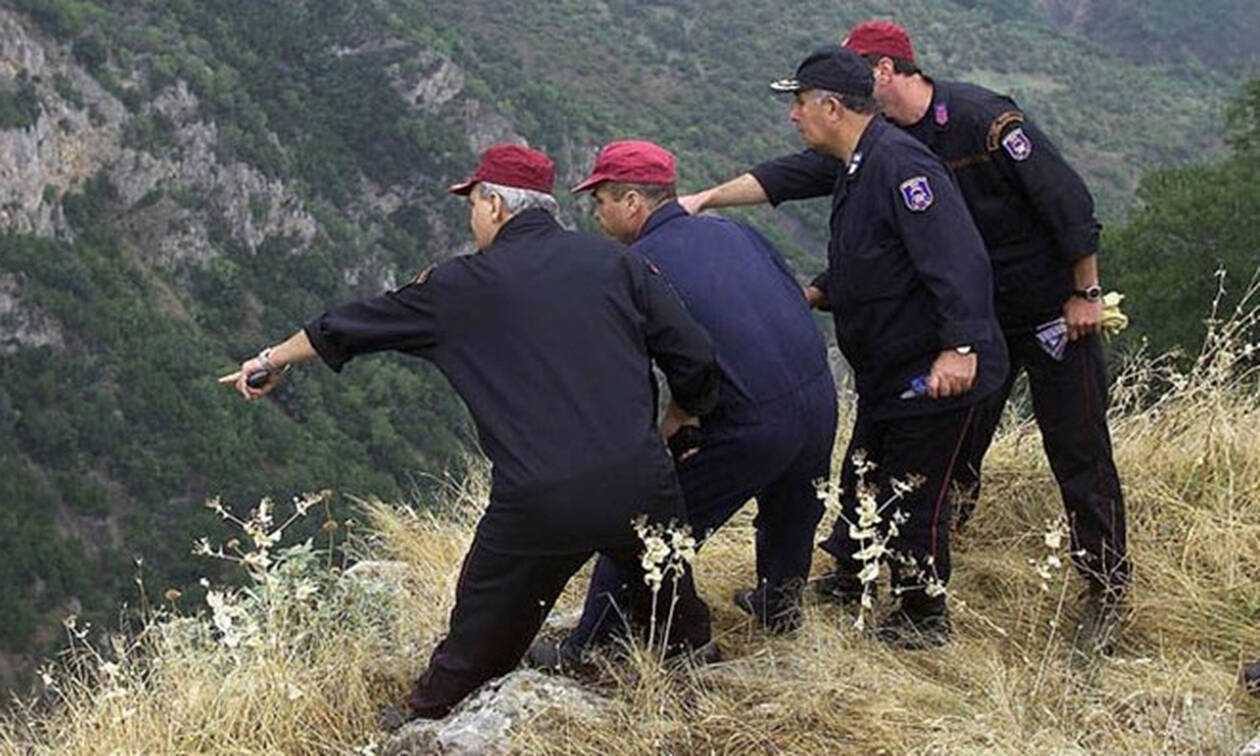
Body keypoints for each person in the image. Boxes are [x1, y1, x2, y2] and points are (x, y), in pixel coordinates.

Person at [219, 144, 721, 719]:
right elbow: (695, 355)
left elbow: (352, 324)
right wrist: (682, 418)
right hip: (641, 479)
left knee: (483, 632)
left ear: (495, 206)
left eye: (474, 204)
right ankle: (694, 689)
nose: (472, 217)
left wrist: (271, 359)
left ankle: (426, 719)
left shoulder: (460, 285)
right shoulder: (615, 262)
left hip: (542, 497)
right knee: (675, 615)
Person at [678, 47, 1008, 648]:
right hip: (888, 370)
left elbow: (957, 263)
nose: (793, 115)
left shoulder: (903, 167)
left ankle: (921, 618)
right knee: (861, 480)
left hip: (933, 371)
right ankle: (849, 579)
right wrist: (815, 292)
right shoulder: (859, 164)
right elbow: (875, 257)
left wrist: (960, 349)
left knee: (913, 496)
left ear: (832, 108)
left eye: (800, 103)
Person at [834, 19, 1128, 651]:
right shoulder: (887, 143)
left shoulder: (982, 120)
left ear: (884, 71)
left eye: (854, 76)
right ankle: (922, 575)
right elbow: (805, 173)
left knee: (1078, 450)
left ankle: (1105, 589)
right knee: (956, 449)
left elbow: (1067, 201)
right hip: (980, 325)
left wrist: (1085, 292)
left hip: (1053, 313)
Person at [527, 140, 837, 669]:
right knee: (792, 509)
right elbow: (788, 296)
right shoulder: (732, 230)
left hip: (752, 419)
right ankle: (780, 607)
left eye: (600, 200)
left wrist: (676, 416)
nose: (596, 213)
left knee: (647, 530)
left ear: (632, 202)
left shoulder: (636, 266)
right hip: (817, 395)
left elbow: (646, 367)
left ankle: (589, 646)